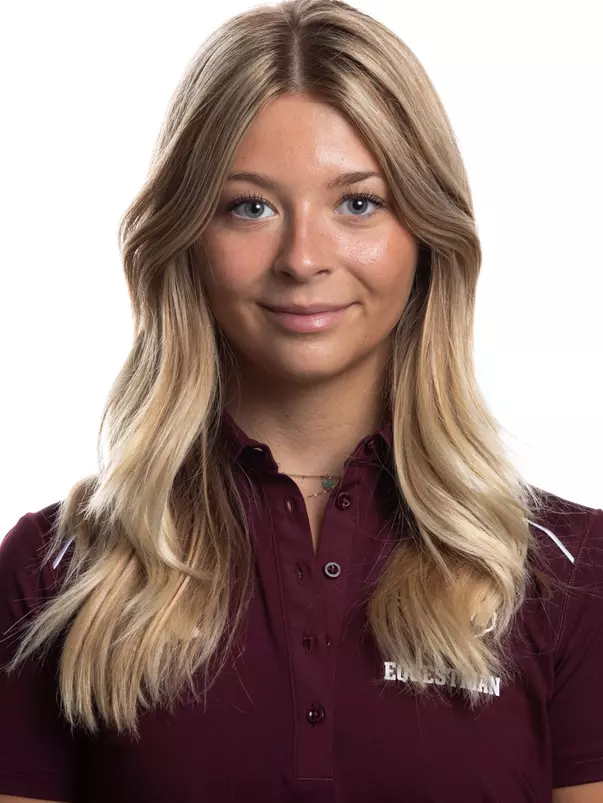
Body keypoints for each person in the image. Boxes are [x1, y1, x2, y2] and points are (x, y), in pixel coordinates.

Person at [1, 0, 602, 801]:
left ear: (425, 234)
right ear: (186, 235)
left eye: (358, 202)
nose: (303, 257)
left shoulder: (571, 573)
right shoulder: (57, 573)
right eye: (249, 206)